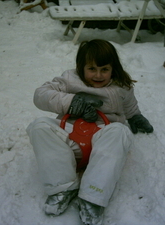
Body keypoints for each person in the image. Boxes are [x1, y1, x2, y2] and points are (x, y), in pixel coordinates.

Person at [26, 39, 153, 225]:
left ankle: (92, 196)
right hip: (68, 141)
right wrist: (72, 101)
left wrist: (135, 117)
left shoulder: (121, 86)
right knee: (39, 126)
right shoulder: (70, 80)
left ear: (113, 68)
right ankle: (63, 187)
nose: (99, 75)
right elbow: (40, 95)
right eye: (92, 69)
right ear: (81, 67)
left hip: (101, 144)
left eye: (105, 69)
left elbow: (129, 105)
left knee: (120, 131)